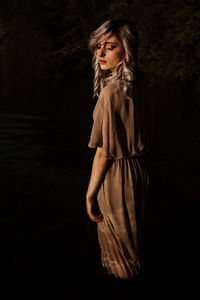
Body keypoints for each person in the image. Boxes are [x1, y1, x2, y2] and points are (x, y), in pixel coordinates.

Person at [86, 18, 155, 280]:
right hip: (141, 173)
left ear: (126, 50)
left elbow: (103, 153)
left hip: (115, 178)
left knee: (120, 261)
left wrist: (90, 195)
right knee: (135, 247)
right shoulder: (145, 85)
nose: (101, 53)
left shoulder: (111, 92)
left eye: (110, 47)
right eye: (98, 46)